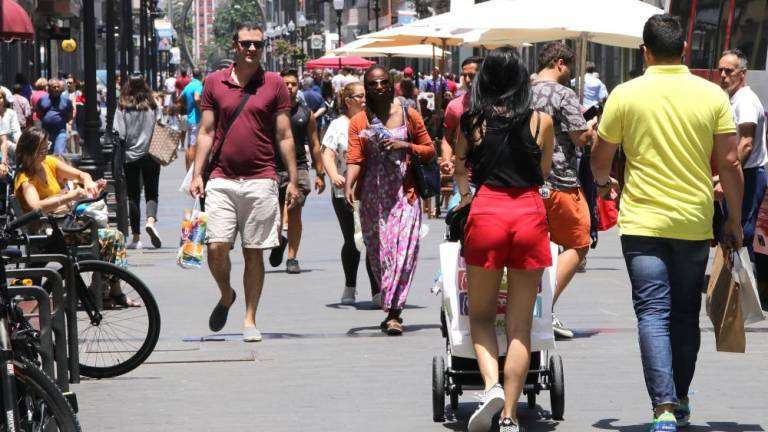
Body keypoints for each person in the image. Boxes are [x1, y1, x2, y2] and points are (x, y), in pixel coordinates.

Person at [591, 14, 743, 431]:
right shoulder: (711, 95)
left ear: (645, 51)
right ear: (685, 51)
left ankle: (662, 409)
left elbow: (600, 158)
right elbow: (730, 163)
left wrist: (605, 187)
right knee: (683, 314)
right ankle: (679, 399)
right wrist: (732, 218)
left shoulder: (625, 94)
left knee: (652, 313)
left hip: (641, 223)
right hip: (694, 223)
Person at [454, 47, 554, 432]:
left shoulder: (472, 120)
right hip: (529, 212)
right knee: (519, 325)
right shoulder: (541, 121)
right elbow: (542, 171)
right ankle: (511, 415)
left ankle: (491, 385)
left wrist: (465, 194)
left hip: (488, 210)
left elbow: (462, 167)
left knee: (480, 317)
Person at [189, 22, 300, 343]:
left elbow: (284, 133)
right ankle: (226, 294)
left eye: (258, 44)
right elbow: (207, 131)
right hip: (221, 177)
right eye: (246, 44)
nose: (252, 49)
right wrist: (198, 173)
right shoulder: (214, 82)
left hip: (262, 178)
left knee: (254, 252)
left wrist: (292, 179)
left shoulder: (275, 83)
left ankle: (250, 319)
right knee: (216, 247)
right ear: (234, 47)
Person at [346, 65, 435, 335]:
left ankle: (395, 313)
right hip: (374, 197)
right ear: (367, 88)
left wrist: (405, 146)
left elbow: (429, 150)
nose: (379, 87)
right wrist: (349, 183)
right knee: (379, 255)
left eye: (384, 82)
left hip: (405, 194)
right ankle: (390, 303)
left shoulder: (409, 116)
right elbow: (355, 158)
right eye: (373, 84)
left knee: (404, 254)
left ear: (392, 84)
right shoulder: (359, 122)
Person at [13, 127, 139, 307]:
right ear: (29, 152)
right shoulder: (25, 179)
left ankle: (106, 290)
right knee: (112, 237)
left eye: (46, 146)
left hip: (61, 225)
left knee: (111, 236)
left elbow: (81, 174)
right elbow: (36, 207)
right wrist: (70, 197)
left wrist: (89, 184)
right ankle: (106, 291)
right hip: (48, 234)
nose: (46, 151)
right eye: (42, 149)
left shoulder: (48, 163)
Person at [531, 42, 595, 339]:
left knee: (533, 248)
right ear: (559, 63)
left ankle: (528, 306)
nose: (569, 73)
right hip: (560, 180)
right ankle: (542, 308)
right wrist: (593, 125)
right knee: (579, 241)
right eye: (569, 67)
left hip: (527, 182)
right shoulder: (563, 94)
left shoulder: (523, 89)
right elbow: (580, 138)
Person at [321, 81, 380, 305]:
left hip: (372, 190)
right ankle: (350, 285)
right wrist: (334, 175)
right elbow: (327, 154)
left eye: (366, 95)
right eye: (359, 96)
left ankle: (377, 290)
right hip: (345, 191)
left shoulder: (374, 120)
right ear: (347, 101)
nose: (364, 99)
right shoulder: (338, 125)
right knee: (352, 239)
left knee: (372, 239)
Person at [269, 69, 325, 274]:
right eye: (286, 83)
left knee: (294, 213)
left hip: (300, 167)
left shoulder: (306, 113)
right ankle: (279, 241)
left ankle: (292, 257)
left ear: (298, 86)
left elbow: (315, 143)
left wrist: (320, 174)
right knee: (272, 213)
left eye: (293, 84)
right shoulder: (270, 112)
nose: (290, 87)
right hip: (273, 167)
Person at [716, 49, 767, 260]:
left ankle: (745, 287)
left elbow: (746, 143)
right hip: (740, 173)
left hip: (748, 175)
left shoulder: (745, 100)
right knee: (733, 232)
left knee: (741, 235)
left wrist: (726, 178)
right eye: (720, 70)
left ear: (742, 73)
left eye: (729, 71)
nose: (723, 76)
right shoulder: (734, 98)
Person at [114, 74, 162, 250]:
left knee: (133, 196)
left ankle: (136, 238)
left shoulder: (123, 106)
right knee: (152, 192)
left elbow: (119, 132)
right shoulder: (153, 105)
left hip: (130, 156)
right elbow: (161, 124)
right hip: (151, 155)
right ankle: (150, 221)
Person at [439, 56, 483, 206]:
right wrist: (446, 159)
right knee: (456, 217)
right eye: (465, 75)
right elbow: (447, 138)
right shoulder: (454, 106)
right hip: (464, 177)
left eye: (472, 75)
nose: (468, 80)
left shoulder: (496, 105)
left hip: (491, 179)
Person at [35, 79, 73, 155]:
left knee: (58, 153)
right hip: (46, 133)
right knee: (46, 154)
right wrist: (47, 120)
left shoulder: (66, 101)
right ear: (49, 88)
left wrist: (64, 123)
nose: (56, 89)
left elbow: (69, 116)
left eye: (58, 87)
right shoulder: (42, 100)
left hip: (60, 132)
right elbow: (39, 114)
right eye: (54, 87)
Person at [180, 68, 204, 169]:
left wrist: (186, 106)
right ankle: (191, 170)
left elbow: (179, 99)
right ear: (201, 75)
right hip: (196, 119)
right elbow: (197, 97)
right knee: (193, 146)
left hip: (189, 118)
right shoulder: (198, 85)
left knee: (189, 145)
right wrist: (202, 109)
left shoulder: (188, 86)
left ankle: (188, 169)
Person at [0, 91, 21, 177]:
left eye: (0, 98)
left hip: (9, 147)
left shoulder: (10, 113)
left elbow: (16, 132)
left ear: (4, 100)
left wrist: (19, 144)